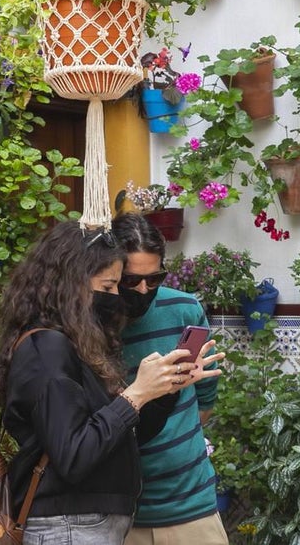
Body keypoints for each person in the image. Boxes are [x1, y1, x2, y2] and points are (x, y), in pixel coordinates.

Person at [0, 221, 222, 545]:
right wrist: (136, 394)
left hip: (93, 525)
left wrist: (165, 390)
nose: (120, 299)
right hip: (69, 528)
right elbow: (74, 456)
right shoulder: (47, 350)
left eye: (152, 279)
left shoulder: (73, 344)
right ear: (74, 283)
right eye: (112, 286)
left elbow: (124, 435)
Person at [112, 213, 230, 545]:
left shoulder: (184, 309)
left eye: (154, 279)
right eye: (131, 280)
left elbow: (205, 401)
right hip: (120, 514)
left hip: (191, 507)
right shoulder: (90, 323)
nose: (143, 290)